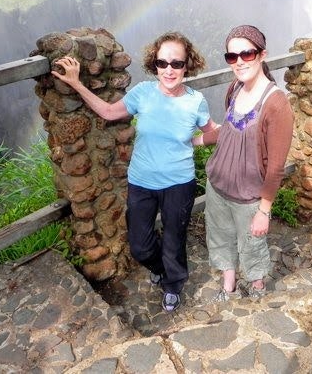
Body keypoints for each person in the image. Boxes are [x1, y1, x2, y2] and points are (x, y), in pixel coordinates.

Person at [53, 32, 219, 312]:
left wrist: (197, 141)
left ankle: (172, 283)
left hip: (179, 183)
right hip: (141, 181)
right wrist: (75, 83)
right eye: (162, 62)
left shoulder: (196, 101)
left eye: (176, 64)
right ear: (154, 64)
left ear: (187, 65)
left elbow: (213, 132)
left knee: (174, 240)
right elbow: (107, 112)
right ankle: (159, 267)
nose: (169, 70)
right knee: (140, 245)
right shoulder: (143, 92)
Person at [199, 25, 294, 301]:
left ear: (262, 55)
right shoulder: (235, 87)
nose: (239, 61)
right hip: (218, 186)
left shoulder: (276, 104)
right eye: (231, 57)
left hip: (249, 196)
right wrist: (196, 141)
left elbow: (276, 166)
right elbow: (228, 129)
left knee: (252, 245)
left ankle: (257, 286)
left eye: (246, 54)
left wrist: (264, 210)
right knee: (220, 237)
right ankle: (228, 285)